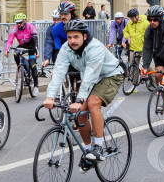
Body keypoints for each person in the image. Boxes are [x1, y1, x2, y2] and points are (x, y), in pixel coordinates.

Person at [42, 20, 124, 164]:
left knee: (92, 103)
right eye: (69, 37)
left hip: (111, 75)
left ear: (84, 36)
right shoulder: (66, 48)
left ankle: (98, 147)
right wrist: (49, 97)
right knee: (79, 115)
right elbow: (59, 72)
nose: (72, 41)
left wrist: (79, 100)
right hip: (91, 78)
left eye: (76, 37)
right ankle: (88, 152)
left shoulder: (95, 47)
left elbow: (91, 75)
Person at [4, 12, 40, 97]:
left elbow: (35, 40)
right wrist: (7, 50)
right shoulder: (15, 29)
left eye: (20, 22)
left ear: (25, 21)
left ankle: (36, 86)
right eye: (17, 23)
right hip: (22, 45)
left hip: (31, 46)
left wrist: (36, 51)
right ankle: (21, 67)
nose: (18, 24)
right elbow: (10, 40)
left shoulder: (31, 27)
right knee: (16, 54)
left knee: (33, 65)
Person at [41, 1, 78, 68]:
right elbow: (51, 44)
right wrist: (47, 59)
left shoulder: (81, 25)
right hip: (62, 50)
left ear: (72, 14)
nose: (63, 16)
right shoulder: (55, 29)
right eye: (61, 14)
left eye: (66, 14)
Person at [122, 8, 148, 72]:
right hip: (133, 48)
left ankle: (155, 81)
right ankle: (134, 82)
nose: (132, 20)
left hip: (144, 49)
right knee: (132, 68)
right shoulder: (130, 23)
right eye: (130, 18)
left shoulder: (145, 23)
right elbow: (125, 31)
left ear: (137, 16)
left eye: (132, 18)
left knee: (149, 67)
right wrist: (127, 37)